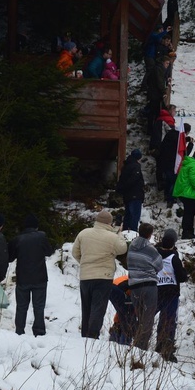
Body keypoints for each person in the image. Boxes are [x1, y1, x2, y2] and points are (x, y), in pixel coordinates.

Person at [72, 210, 128, 339]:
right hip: (103, 277)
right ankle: (92, 336)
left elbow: (75, 253)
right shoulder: (112, 237)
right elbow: (122, 249)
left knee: (86, 307)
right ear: (109, 223)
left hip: (86, 277)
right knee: (98, 308)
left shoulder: (83, 233)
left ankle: (85, 335)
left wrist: (85, 263)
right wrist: (119, 233)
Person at [8, 214, 54, 336]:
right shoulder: (41, 237)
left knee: (21, 307)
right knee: (39, 307)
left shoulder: (18, 239)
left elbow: (10, 257)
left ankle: (19, 331)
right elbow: (49, 252)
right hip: (40, 278)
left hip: (23, 278)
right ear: (36, 226)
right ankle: (39, 332)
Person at [126, 223, 163, 351]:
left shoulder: (131, 246)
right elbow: (159, 265)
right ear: (150, 234)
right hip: (149, 286)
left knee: (140, 316)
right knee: (148, 318)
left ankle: (137, 343)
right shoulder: (150, 249)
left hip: (134, 286)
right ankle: (141, 347)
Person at [154, 228, 188, 361]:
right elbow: (182, 277)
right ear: (174, 243)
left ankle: (155, 345)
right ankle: (166, 349)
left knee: (151, 318)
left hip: (156, 291)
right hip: (171, 293)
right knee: (168, 321)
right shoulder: (174, 257)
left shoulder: (155, 254)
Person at [172, 148, 195, 240]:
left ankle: (189, 230)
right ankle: (187, 232)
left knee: (192, 210)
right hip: (188, 192)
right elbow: (193, 177)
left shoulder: (189, 162)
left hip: (183, 190)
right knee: (189, 212)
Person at [159, 121, 190, 207]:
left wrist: (185, 139)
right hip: (174, 164)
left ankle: (166, 196)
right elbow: (184, 154)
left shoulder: (171, 134)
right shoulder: (180, 140)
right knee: (174, 182)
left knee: (168, 181)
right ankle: (170, 200)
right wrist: (190, 145)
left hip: (164, 162)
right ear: (186, 132)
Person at [116, 149, 145, 232]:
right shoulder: (135, 166)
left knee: (128, 215)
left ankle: (125, 232)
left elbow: (122, 180)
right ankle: (132, 233)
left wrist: (122, 189)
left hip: (127, 195)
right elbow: (134, 179)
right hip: (135, 194)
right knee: (134, 216)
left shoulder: (126, 166)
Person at [146, 56, 171, 142]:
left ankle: (151, 129)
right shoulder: (159, 69)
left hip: (155, 94)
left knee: (154, 112)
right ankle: (151, 129)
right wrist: (164, 92)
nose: (168, 65)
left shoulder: (159, 68)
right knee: (154, 112)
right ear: (163, 62)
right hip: (155, 94)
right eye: (167, 63)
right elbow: (160, 82)